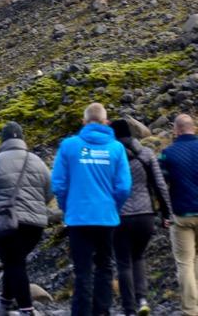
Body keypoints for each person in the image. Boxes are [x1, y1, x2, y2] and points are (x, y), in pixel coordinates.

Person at [52, 102, 132, 316]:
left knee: (82, 270)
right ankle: (102, 311)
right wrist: (113, 206)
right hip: (106, 218)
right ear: (106, 122)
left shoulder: (69, 146)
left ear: (84, 122)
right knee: (105, 267)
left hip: (78, 218)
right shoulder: (116, 148)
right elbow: (124, 186)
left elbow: (58, 183)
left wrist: (66, 206)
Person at [0, 121, 53, 316]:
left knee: (15, 263)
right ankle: (5, 301)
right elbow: (50, 190)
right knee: (15, 261)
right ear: (22, 138)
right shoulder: (37, 161)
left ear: (3, 140)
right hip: (35, 225)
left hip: (7, 223)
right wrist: (38, 207)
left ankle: (26, 309)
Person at [110, 119, 174, 316]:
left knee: (123, 262)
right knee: (138, 257)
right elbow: (160, 185)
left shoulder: (111, 157)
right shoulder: (146, 154)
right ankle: (142, 300)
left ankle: (129, 308)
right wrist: (167, 213)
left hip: (120, 216)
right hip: (145, 215)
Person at [160, 113, 198, 316]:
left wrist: (164, 213)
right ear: (193, 128)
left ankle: (191, 310)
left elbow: (162, 186)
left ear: (176, 130)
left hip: (181, 214)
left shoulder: (167, 154)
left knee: (185, 262)